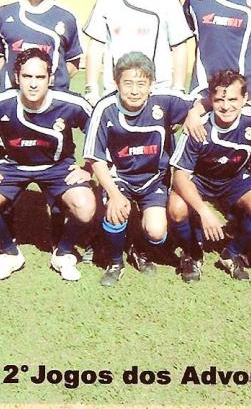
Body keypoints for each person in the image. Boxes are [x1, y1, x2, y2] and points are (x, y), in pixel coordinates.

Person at [0, 48, 96, 281]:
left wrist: (88, 168)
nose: (33, 84)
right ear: (17, 77)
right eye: (27, 76)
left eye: (40, 77)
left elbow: (100, 131)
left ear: (50, 78)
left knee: (85, 205)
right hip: (11, 166)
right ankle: (10, 253)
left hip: (57, 167)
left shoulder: (71, 103)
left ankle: (63, 253)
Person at [0, 0, 85, 259]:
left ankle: (59, 236)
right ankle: (6, 234)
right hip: (13, 112)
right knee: (5, 166)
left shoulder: (65, 18)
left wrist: (51, 89)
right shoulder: (4, 14)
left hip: (53, 113)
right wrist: (13, 86)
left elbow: (73, 62)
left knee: (58, 166)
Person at [168, 70, 251, 283]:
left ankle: (232, 252)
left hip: (236, 179)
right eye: (219, 100)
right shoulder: (198, 125)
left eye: (233, 99)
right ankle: (192, 254)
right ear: (211, 99)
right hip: (200, 180)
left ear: (245, 98)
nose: (226, 106)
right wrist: (203, 211)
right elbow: (180, 176)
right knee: (176, 208)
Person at [83, 52, 198, 287]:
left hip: (153, 180)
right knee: (116, 213)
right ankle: (115, 262)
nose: (134, 91)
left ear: (151, 84)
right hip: (119, 177)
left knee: (156, 232)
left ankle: (139, 249)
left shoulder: (164, 100)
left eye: (141, 84)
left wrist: (194, 114)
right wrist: (114, 194)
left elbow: (200, 100)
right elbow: (96, 158)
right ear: (116, 83)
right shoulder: (105, 108)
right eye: (128, 83)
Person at [83, 0, 193, 102]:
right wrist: (91, 88)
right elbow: (96, 47)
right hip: (115, 94)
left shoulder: (169, 0)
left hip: (157, 94)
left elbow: (179, 48)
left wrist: (178, 90)